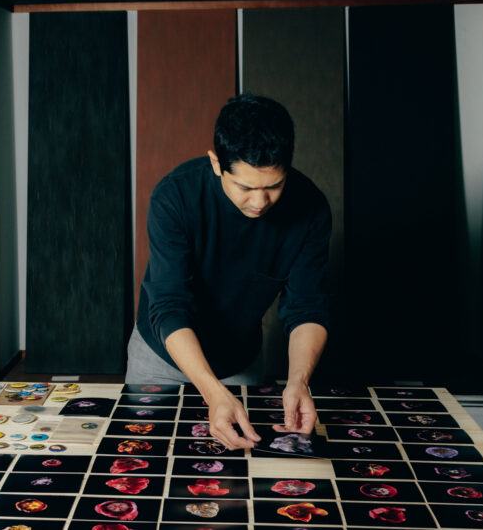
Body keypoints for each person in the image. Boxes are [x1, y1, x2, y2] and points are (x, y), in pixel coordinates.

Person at [125, 93, 331, 450]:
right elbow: (169, 305)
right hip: (161, 356)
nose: (259, 202)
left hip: (239, 360)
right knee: (148, 463)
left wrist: (298, 382)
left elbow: (307, 307)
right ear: (216, 163)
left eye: (274, 186)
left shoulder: (311, 209)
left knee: (234, 477)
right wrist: (211, 392)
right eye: (245, 187)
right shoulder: (174, 197)